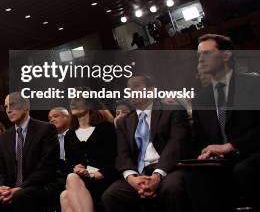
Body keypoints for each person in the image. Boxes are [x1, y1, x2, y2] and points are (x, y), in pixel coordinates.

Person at [186, 34, 260, 211]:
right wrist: (206, 152)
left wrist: (231, 146)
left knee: (243, 170)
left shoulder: (253, 83)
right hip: (221, 159)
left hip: (252, 152)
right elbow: (200, 138)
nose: (201, 59)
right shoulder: (201, 99)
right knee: (192, 176)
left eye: (206, 53)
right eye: (199, 55)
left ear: (226, 55)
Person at [102, 74, 191, 212]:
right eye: (128, 88)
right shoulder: (123, 122)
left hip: (167, 168)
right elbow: (122, 154)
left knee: (172, 188)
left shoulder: (172, 111)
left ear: (151, 91)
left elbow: (175, 145)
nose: (131, 91)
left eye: (136, 86)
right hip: (138, 173)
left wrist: (157, 175)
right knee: (111, 195)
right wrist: (132, 179)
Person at [0, 92, 63, 212]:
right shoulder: (4, 137)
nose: (8, 110)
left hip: (40, 184)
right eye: (6, 107)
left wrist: (21, 188)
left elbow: (47, 167)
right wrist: (1, 187)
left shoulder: (46, 129)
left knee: (19, 197)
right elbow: (1, 169)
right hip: (12, 187)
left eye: (13, 105)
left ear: (26, 106)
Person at [60, 90, 116, 212]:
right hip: (79, 180)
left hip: (102, 179)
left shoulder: (106, 129)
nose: (73, 102)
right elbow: (69, 163)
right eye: (71, 100)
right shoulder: (69, 134)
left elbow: (115, 160)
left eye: (78, 99)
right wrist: (76, 169)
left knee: (68, 190)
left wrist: (94, 175)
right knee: (65, 193)